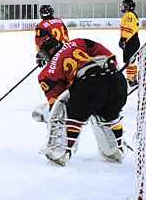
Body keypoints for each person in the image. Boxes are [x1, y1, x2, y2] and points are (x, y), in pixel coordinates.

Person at [33, 37, 128, 166]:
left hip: (89, 83)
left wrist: (44, 114)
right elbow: (109, 56)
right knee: (109, 115)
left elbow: (57, 105)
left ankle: (60, 152)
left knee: (70, 116)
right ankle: (115, 150)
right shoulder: (78, 42)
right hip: (117, 80)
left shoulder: (46, 73)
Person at [118, 0, 140, 87]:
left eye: (123, 5)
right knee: (132, 61)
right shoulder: (132, 15)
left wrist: (123, 39)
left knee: (129, 61)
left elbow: (128, 28)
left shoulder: (128, 15)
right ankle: (133, 78)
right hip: (133, 40)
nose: (122, 7)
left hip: (130, 41)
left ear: (127, 6)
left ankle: (130, 79)